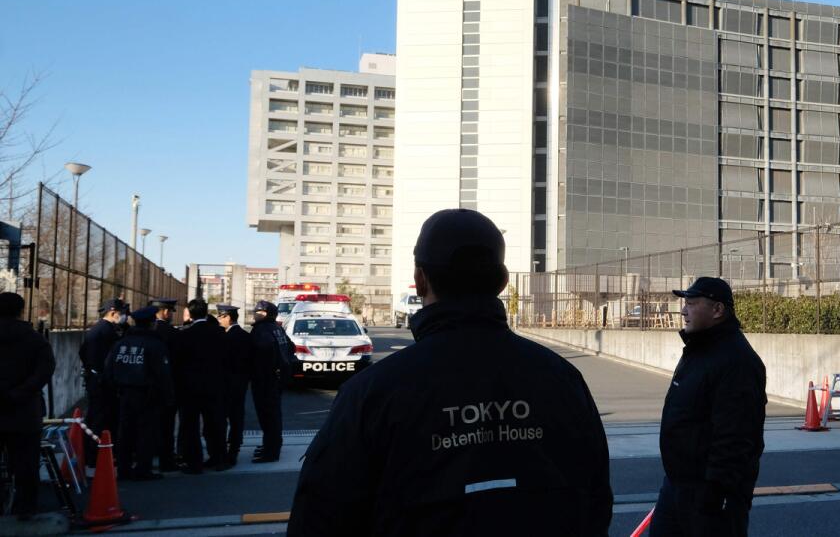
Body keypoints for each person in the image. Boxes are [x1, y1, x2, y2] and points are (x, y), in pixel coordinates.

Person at [288, 208, 612, 536]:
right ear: (502, 283)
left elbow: (318, 517)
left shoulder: (371, 392)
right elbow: (597, 499)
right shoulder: (561, 378)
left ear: (420, 280)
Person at [648, 276, 766, 537]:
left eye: (692, 302)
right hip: (678, 485)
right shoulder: (699, 350)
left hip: (709, 495)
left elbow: (736, 437)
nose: (683, 310)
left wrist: (716, 494)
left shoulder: (737, 361)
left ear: (717, 310)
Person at [0, 292, 55, 519]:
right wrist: (20, 392)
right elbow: (45, 369)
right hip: (24, 411)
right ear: (20, 310)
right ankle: (25, 508)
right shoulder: (33, 338)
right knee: (26, 463)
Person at [103, 305, 173, 481]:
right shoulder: (155, 345)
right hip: (148, 395)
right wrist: (167, 396)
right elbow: (162, 373)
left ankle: (124, 468)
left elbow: (108, 369)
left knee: (125, 431)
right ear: (151, 323)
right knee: (146, 432)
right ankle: (143, 468)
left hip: (124, 393)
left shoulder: (121, 343)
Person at [175, 299, 228, 473]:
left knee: (191, 426)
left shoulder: (184, 335)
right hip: (215, 385)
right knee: (215, 423)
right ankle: (219, 459)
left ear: (190, 314)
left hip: (190, 388)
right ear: (206, 312)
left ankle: (194, 463)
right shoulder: (220, 333)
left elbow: (179, 364)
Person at [80, 298, 126, 466]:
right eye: (122, 314)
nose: (124, 317)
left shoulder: (96, 330)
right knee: (103, 420)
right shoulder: (108, 332)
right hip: (104, 383)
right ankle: (97, 456)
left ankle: (91, 455)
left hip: (94, 380)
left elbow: (82, 352)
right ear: (113, 313)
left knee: (94, 418)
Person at [249, 300, 291, 464]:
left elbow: (264, 350)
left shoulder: (262, 330)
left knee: (267, 416)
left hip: (265, 380)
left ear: (265, 313)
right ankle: (271, 446)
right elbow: (291, 347)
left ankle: (271, 451)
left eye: (257, 312)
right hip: (277, 378)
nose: (254, 314)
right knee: (273, 415)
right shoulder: (277, 328)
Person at [217, 304, 252, 466]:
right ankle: (234, 449)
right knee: (237, 417)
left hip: (224, 383)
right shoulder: (245, 336)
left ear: (228, 318)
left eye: (220, 316)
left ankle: (223, 451)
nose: (218, 319)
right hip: (241, 383)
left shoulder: (224, 337)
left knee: (222, 417)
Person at [149, 298, 180, 472]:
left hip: (145, 386)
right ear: (166, 312)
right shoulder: (172, 333)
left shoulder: (142, 332)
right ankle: (166, 460)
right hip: (168, 384)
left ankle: (147, 454)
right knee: (167, 424)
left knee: (147, 423)